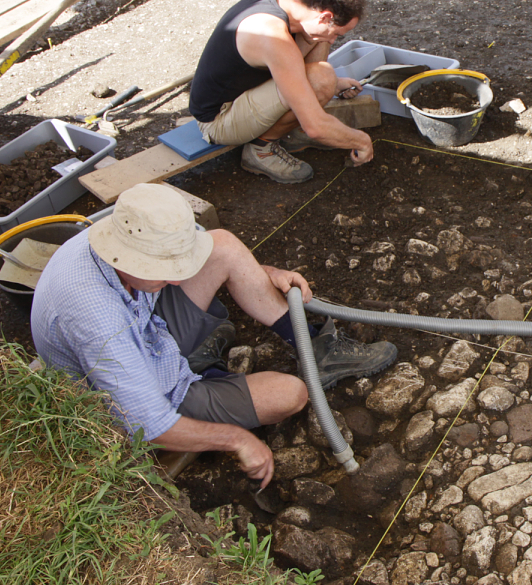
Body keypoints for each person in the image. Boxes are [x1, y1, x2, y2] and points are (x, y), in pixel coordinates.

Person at [31, 184, 397, 489]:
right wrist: (237, 440)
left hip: (149, 335)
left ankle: (316, 350)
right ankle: (202, 386)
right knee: (291, 394)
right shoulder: (97, 319)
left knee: (222, 245)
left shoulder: (128, 232)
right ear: (127, 259)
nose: (176, 280)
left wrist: (263, 273)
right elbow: (147, 423)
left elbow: (202, 251)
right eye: (164, 271)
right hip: (142, 395)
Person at [188, 0, 375, 184]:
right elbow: (316, 127)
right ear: (325, 16)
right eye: (337, 34)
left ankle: (294, 129)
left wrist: (336, 84)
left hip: (244, 90)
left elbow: (293, 64)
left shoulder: (287, 3)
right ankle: (261, 150)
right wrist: (362, 141)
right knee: (321, 78)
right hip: (219, 119)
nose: (333, 40)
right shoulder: (272, 35)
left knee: (316, 40)